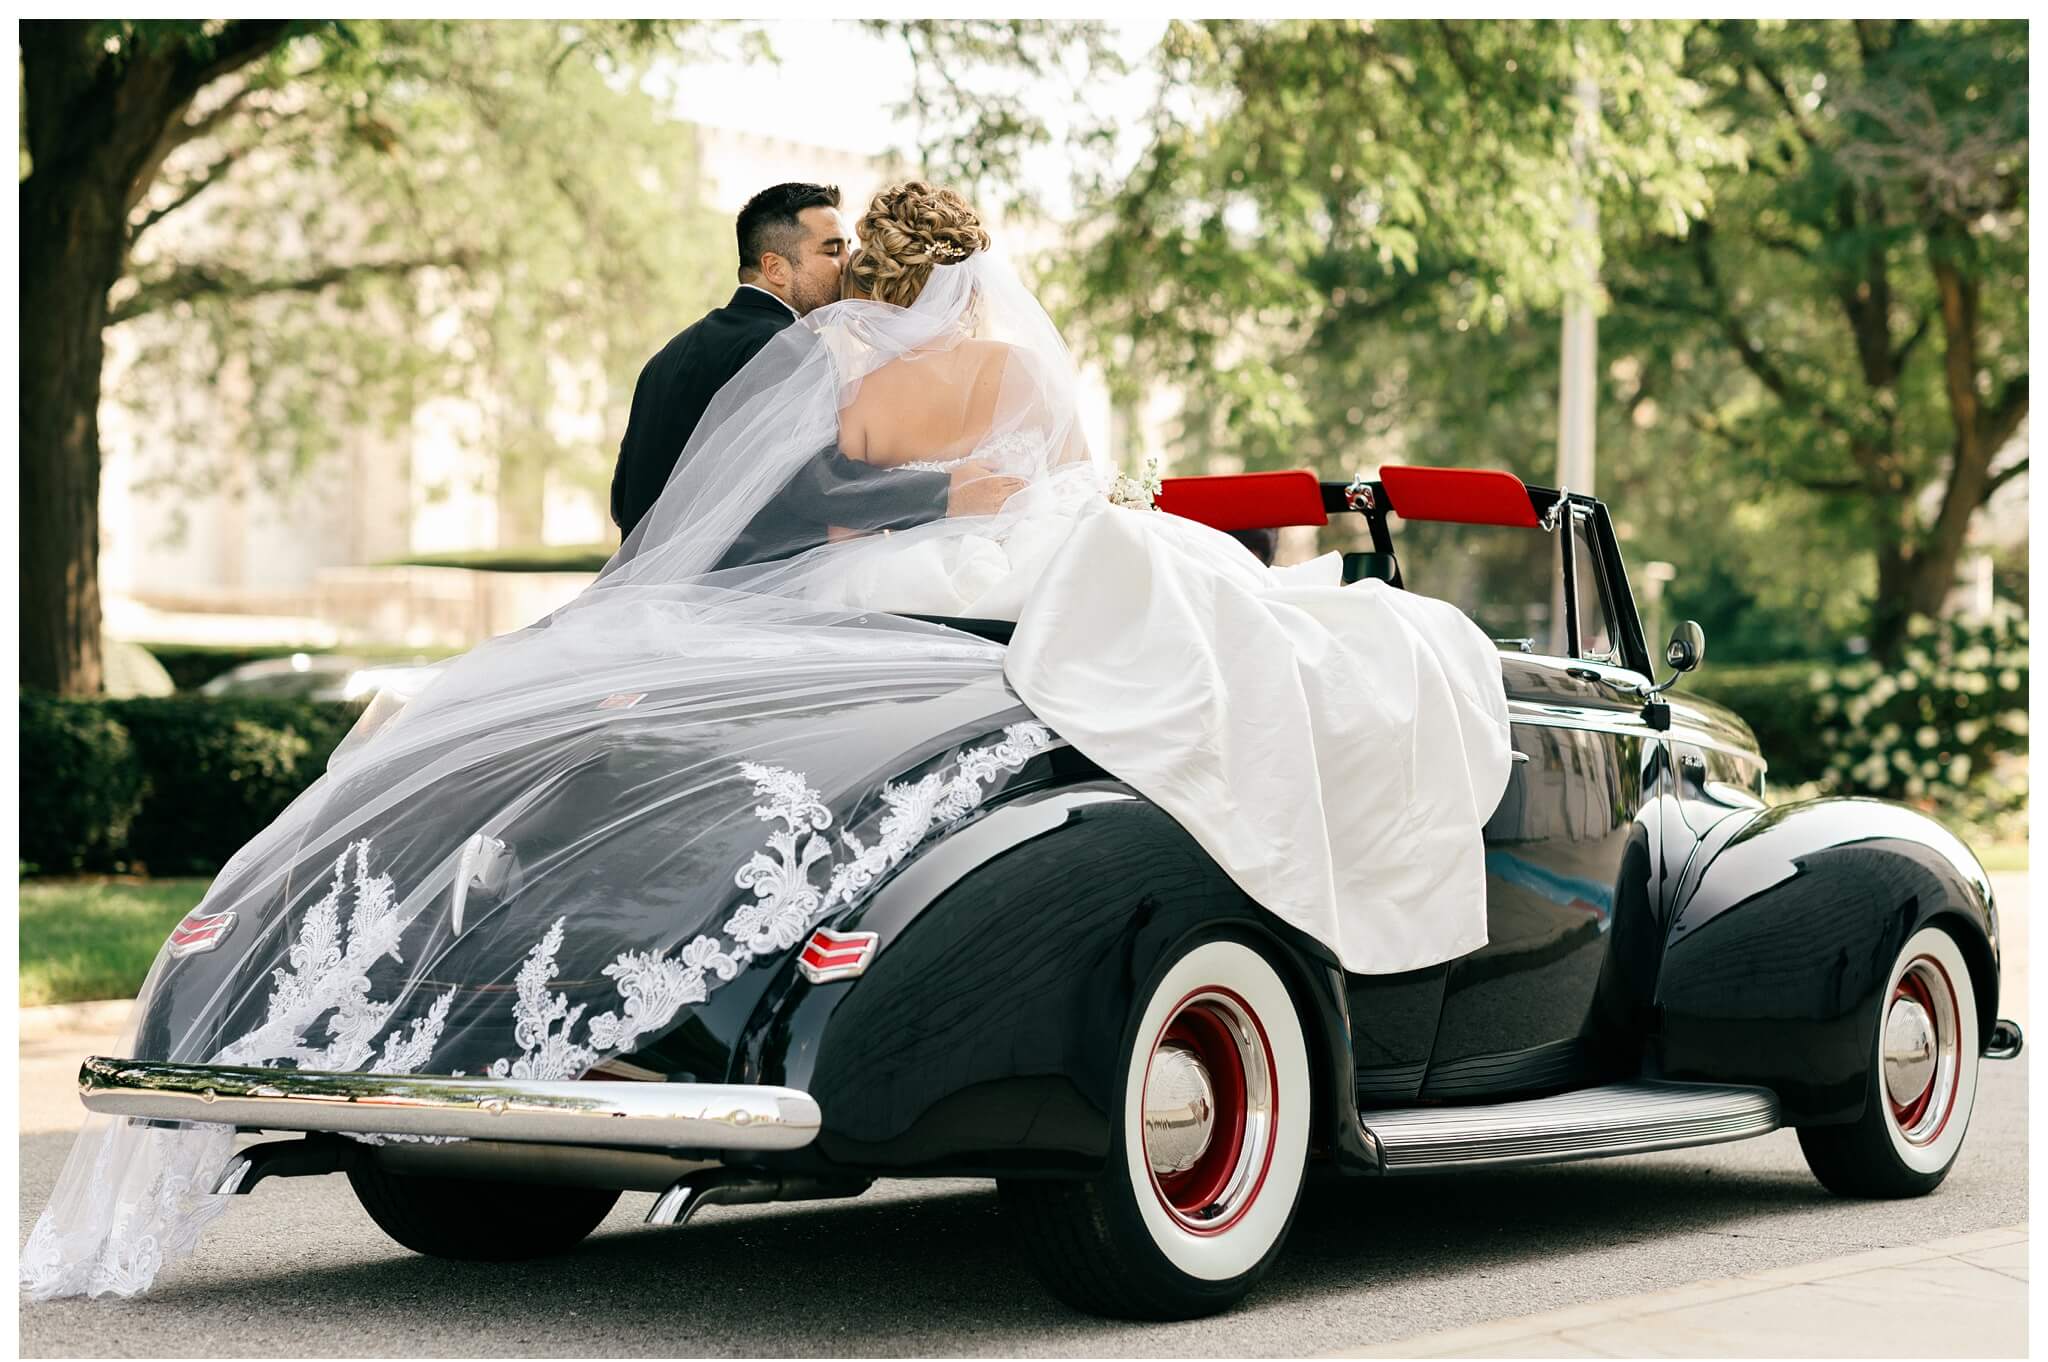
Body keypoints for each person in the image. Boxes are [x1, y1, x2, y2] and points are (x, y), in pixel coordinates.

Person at [20, 180, 1509, 1301]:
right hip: (992, 587)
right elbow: (1032, 503)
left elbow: (845, 505)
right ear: (984, 276)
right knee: (1261, 623)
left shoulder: (848, 378)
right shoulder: (1016, 372)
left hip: (858, 599)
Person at [608, 181, 1022, 558]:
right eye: (832, 250)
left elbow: (620, 496)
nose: (850, 265)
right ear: (775, 268)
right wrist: (946, 493)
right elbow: (814, 484)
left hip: (653, 601)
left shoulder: (664, 358)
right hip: (740, 602)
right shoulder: (792, 349)